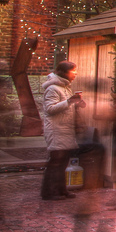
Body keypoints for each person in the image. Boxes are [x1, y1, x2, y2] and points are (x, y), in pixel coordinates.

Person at [41, 61, 86, 200]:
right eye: (73, 71)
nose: (75, 74)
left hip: (65, 129)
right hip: (56, 129)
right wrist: (69, 102)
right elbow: (50, 109)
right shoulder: (53, 88)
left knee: (63, 161)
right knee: (56, 161)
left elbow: (66, 106)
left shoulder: (65, 87)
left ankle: (61, 190)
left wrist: (77, 103)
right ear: (64, 72)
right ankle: (50, 192)